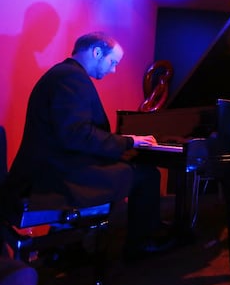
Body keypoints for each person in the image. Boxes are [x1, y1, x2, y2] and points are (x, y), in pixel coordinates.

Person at [1, 32, 169, 262]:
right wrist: (128, 141)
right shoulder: (71, 78)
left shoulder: (62, 74)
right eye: (113, 63)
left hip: (51, 166)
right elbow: (76, 134)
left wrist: (122, 141)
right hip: (54, 176)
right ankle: (142, 243)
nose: (113, 70)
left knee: (125, 165)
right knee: (146, 175)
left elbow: (73, 132)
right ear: (97, 52)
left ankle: (71, 245)